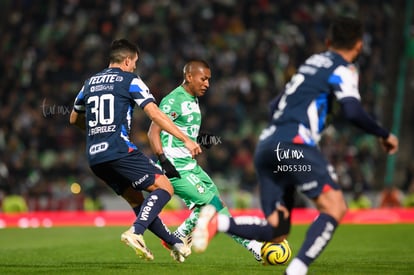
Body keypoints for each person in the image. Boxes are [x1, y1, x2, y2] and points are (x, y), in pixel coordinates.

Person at [192, 16, 399, 275]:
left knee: (276, 230)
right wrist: (383, 135)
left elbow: (273, 106)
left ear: (328, 41)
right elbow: (353, 111)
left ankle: (218, 222)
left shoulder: (310, 64)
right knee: (335, 207)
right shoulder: (343, 69)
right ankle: (296, 271)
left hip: (267, 144)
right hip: (295, 144)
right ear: (358, 46)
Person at [69, 39, 202, 262]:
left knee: (138, 202)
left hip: (95, 156)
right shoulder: (130, 79)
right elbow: (155, 114)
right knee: (164, 187)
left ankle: (174, 242)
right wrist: (185, 139)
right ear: (128, 60)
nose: (135, 67)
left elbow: (74, 118)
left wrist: (96, 130)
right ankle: (136, 233)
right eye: (135, 63)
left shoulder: (89, 83)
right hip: (118, 149)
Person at [147, 60, 263, 262]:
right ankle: (256, 247)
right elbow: (152, 131)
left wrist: (201, 140)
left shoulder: (192, 100)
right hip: (175, 167)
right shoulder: (174, 100)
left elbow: (181, 132)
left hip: (190, 166)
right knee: (215, 207)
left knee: (213, 203)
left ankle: (177, 237)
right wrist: (163, 161)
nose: (207, 84)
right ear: (189, 77)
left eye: (209, 79)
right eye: (203, 79)